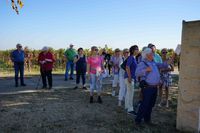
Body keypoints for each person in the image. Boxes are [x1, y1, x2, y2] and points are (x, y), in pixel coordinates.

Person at [135, 48, 173, 125]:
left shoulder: (154, 62)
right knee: (144, 105)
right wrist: (145, 70)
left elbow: (164, 64)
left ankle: (147, 120)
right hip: (147, 88)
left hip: (154, 88)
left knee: (150, 105)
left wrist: (172, 58)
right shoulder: (143, 63)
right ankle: (137, 121)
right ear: (147, 55)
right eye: (152, 53)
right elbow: (136, 73)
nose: (153, 54)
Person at [124, 45, 139, 115]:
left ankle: (127, 107)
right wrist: (130, 77)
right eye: (136, 49)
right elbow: (127, 67)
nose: (138, 50)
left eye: (138, 49)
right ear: (133, 50)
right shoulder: (131, 58)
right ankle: (130, 109)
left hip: (130, 78)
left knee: (128, 93)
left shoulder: (133, 58)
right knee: (130, 94)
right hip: (129, 78)